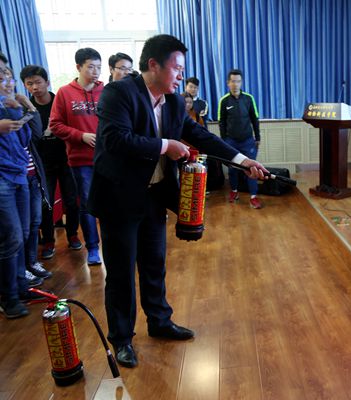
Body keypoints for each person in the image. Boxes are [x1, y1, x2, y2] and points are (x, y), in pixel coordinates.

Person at [89, 34, 269, 368]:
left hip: (154, 195)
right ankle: (122, 338)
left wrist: (243, 161)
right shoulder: (119, 93)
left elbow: (200, 135)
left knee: (155, 263)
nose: (181, 76)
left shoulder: (172, 102)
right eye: (177, 68)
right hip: (119, 199)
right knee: (122, 273)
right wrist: (165, 145)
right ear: (154, 65)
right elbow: (115, 139)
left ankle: (159, 321)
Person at [20, 65, 82, 259]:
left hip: (66, 159)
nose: (35, 87)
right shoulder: (27, 109)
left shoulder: (60, 102)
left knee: (71, 200)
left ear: (47, 82)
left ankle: (72, 235)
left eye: (38, 82)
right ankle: (48, 241)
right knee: (45, 204)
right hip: (42, 164)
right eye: (29, 84)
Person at [50, 48, 104, 266]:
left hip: (107, 158)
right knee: (87, 204)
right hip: (80, 160)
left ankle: (113, 244)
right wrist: (81, 136)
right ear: (78, 67)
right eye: (90, 67)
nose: (95, 72)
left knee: (110, 203)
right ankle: (93, 247)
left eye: (99, 67)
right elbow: (55, 125)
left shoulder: (106, 92)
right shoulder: (64, 93)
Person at [0, 53, 35, 318]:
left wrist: (26, 109)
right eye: (0, 75)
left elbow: (25, 138)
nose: (5, 79)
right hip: (2, 177)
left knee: (22, 233)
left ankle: (22, 287)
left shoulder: (9, 104)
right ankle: (8, 297)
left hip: (20, 173)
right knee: (11, 236)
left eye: (6, 74)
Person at [218, 69, 262, 208]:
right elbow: (221, 122)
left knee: (252, 169)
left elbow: (255, 119)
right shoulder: (224, 101)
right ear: (228, 83)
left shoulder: (249, 98)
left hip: (248, 141)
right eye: (232, 81)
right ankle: (234, 191)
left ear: (241, 82)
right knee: (232, 169)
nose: (235, 84)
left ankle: (253, 197)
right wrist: (224, 142)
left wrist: (257, 137)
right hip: (231, 141)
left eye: (238, 81)